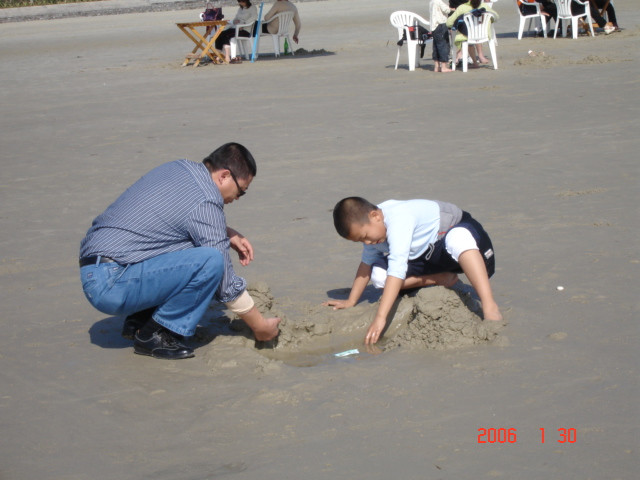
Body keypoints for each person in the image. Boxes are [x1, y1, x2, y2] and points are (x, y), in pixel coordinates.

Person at [79, 143, 280, 359]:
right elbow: (225, 281)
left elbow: (164, 222)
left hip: (96, 267)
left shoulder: (179, 168)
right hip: (112, 284)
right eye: (241, 191)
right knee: (210, 260)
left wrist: (225, 232)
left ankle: (140, 320)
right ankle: (156, 333)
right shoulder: (207, 199)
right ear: (224, 176)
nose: (237, 199)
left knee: (193, 244)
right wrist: (260, 326)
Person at [324, 197, 502, 345]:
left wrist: (380, 318)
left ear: (375, 215)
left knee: (459, 239)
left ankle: (489, 305)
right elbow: (365, 265)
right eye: (360, 241)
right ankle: (438, 279)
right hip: (424, 257)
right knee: (379, 277)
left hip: (454, 241)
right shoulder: (375, 234)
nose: (368, 243)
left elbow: (397, 269)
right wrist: (351, 300)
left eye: (365, 237)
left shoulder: (399, 218)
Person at [446, 0, 498, 69]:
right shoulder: (483, 6)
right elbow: (496, 16)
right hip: (482, 34)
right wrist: (488, 20)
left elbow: (449, 23)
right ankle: (479, 57)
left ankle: (466, 58)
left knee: (464, 34)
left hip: (467, 35)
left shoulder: (462, 8)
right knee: (472, 31)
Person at [430, 0, 455, 73]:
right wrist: (453, 9)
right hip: (440, 25)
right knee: (443, 45)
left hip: (434, 27)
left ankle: (436, 66)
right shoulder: (439, 2)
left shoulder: (431, 2)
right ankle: (443, 66)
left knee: (436, 46)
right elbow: (446, 10)